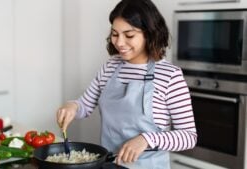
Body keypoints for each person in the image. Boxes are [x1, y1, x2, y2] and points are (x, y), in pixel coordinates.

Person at [56, 0, 197, 168]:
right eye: (115, 34)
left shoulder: (170, 76)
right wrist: (72, 106)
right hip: (110, 164)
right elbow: (85, 105)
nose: (120, 43)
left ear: (149, 33)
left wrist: (147, 139)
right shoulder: (110, 66)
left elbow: (189, 137)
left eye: (129, 35)